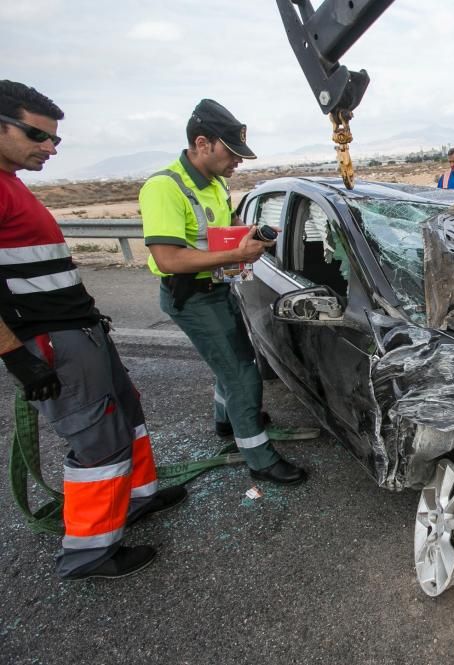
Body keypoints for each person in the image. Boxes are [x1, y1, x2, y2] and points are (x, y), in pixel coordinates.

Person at [0, 81, 186, 580]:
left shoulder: (11, 182)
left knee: (126, 414)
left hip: (80, 331)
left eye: (55, 138)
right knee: (97, 439)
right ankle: (91, 552)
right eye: (38, 135)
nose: (51, 147)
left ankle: (138, 499)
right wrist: (18, 357)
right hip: (52, 340)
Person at [139, 99, 307, 485]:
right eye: (231, 153)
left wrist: (249, 236)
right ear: (202, 143)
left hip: (216, 288)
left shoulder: (214, 182)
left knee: (231, 360)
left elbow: (225, 226)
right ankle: (258, 456)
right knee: (242, 373)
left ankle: (227, 421)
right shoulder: (164, 188)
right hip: (191, 294)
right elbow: (166, 258)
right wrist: (235, 253)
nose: (238, 162)